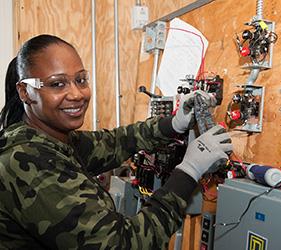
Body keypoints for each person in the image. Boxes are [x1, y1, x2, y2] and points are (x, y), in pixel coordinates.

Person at [0, 34, 232, 249]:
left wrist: (172, 124)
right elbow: (123, 244)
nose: (76, 94)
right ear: (25, 92)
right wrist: (189, 171)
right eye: (57, 84)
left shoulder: (45, 138)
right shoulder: (29, 160)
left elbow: (113, 142)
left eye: (81, 80)